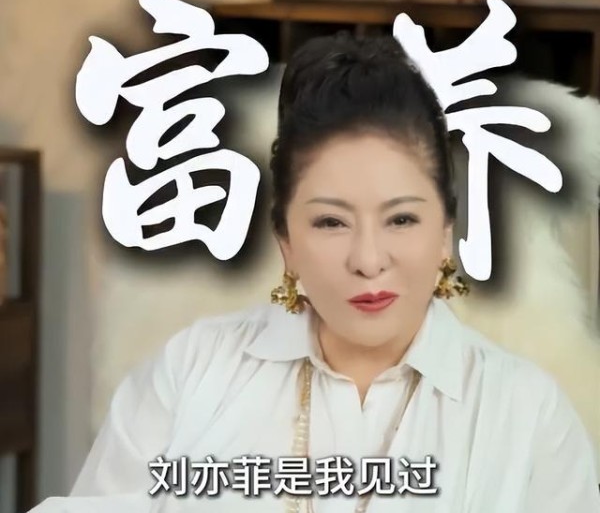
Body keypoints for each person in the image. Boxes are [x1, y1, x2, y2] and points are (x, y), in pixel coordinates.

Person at [30, 32, 600, 513]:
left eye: (401, 219)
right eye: (331, 222)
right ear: (286, 241)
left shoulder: (527, 412)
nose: (368, 260)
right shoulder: (192, 370)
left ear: (447, 232)